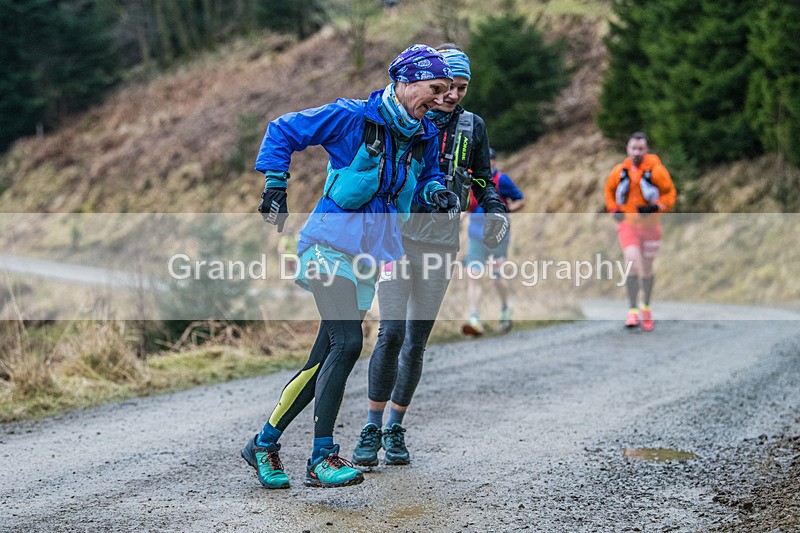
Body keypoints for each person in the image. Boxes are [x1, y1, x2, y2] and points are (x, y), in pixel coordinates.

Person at [242, 44, 459, 489]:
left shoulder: (423, 135)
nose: (442, 99)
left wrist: (436, 192)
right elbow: (283, 130)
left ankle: (263, 444)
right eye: (435, 89)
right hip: (326, 245)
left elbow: (427, 177)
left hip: (367, 257)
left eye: (447, 91)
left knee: (323, 358)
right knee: (348, 342)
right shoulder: (353, 117)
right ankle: (322, 457)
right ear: (405, 82)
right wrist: (275, 184)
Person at [351, 45, 509, 467]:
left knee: (416, 340)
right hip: (397, 239)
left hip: (441, 244)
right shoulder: (406, 118)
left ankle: (395, 428)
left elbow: (481, 177)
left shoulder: (473, 126)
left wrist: (495, 209)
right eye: (447, 86)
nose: (453, 95)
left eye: (462, 88)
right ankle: (371, 426)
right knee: (392, 332)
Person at [604, 131, 676, 331]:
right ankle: (632, 310)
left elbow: (670, 194)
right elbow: (609, 191)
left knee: (647, 270)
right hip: (628, 225)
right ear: (627, 149)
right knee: (632, 264)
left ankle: (646, 307)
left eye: (640, 149)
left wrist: (656, 207)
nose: (637, 152)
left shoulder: (657, 171)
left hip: (651, 227)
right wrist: (614, 209)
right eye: (633, 148)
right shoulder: (619, 171)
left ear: (647, 150)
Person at [462, 148, 526, 336]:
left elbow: (520, 200)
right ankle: (474, 319)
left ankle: (506, 308)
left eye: (489, 160)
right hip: (476, 236)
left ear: (494, 162)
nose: (487, 163)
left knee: (497, 277)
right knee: (473, 275)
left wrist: (507, 210)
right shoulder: (472, 181)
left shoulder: (502, 180)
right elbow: (468, 206)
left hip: (498, 236)